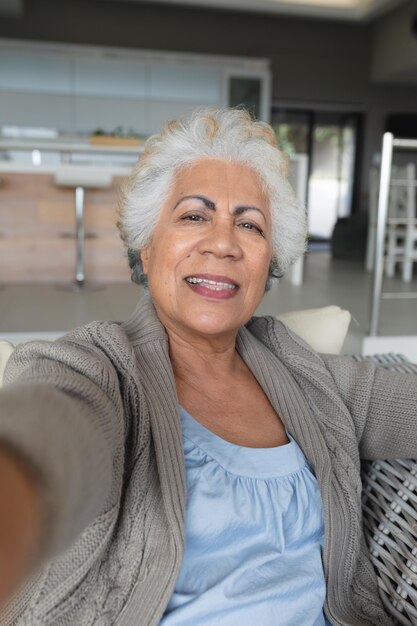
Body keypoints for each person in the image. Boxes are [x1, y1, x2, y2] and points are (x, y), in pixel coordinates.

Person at [0, 107, 416, 626]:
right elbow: (49, 436)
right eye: (194, 216)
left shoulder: (299, 369)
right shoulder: (99, 368)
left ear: (270, 265)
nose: (223, 243)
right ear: (147, 249)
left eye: (249, 225)